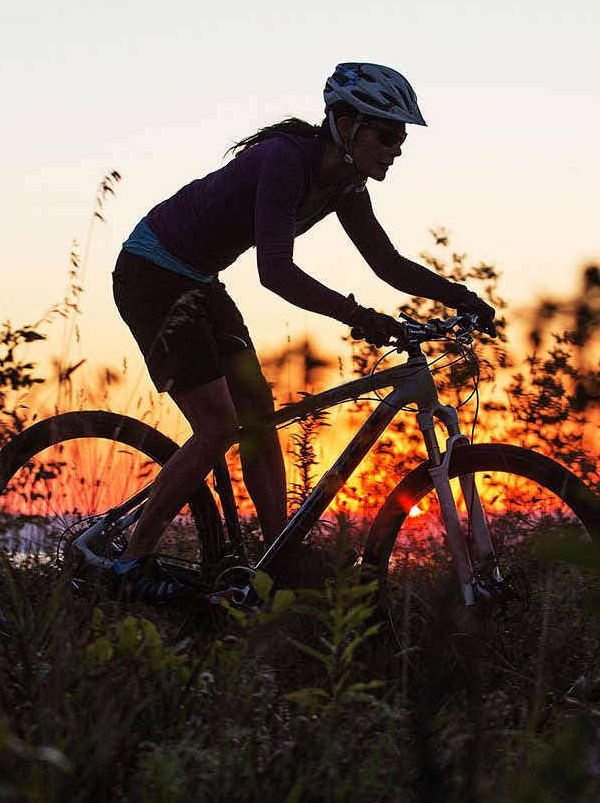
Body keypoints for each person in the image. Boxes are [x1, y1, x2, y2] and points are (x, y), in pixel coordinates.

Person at [110, 62, 496, 601]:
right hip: (151, 273)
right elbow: (276, 271)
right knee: (219, 426)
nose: (398, 148)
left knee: (258, 419)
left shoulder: (345, 183)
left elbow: (385, 261)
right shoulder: (285, 160)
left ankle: (277, 557)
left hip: (197, 280)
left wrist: (464, 297)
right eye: (388, 134)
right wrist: (359, 317)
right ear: (347, 124)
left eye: (401, 137)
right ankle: (129, 565)